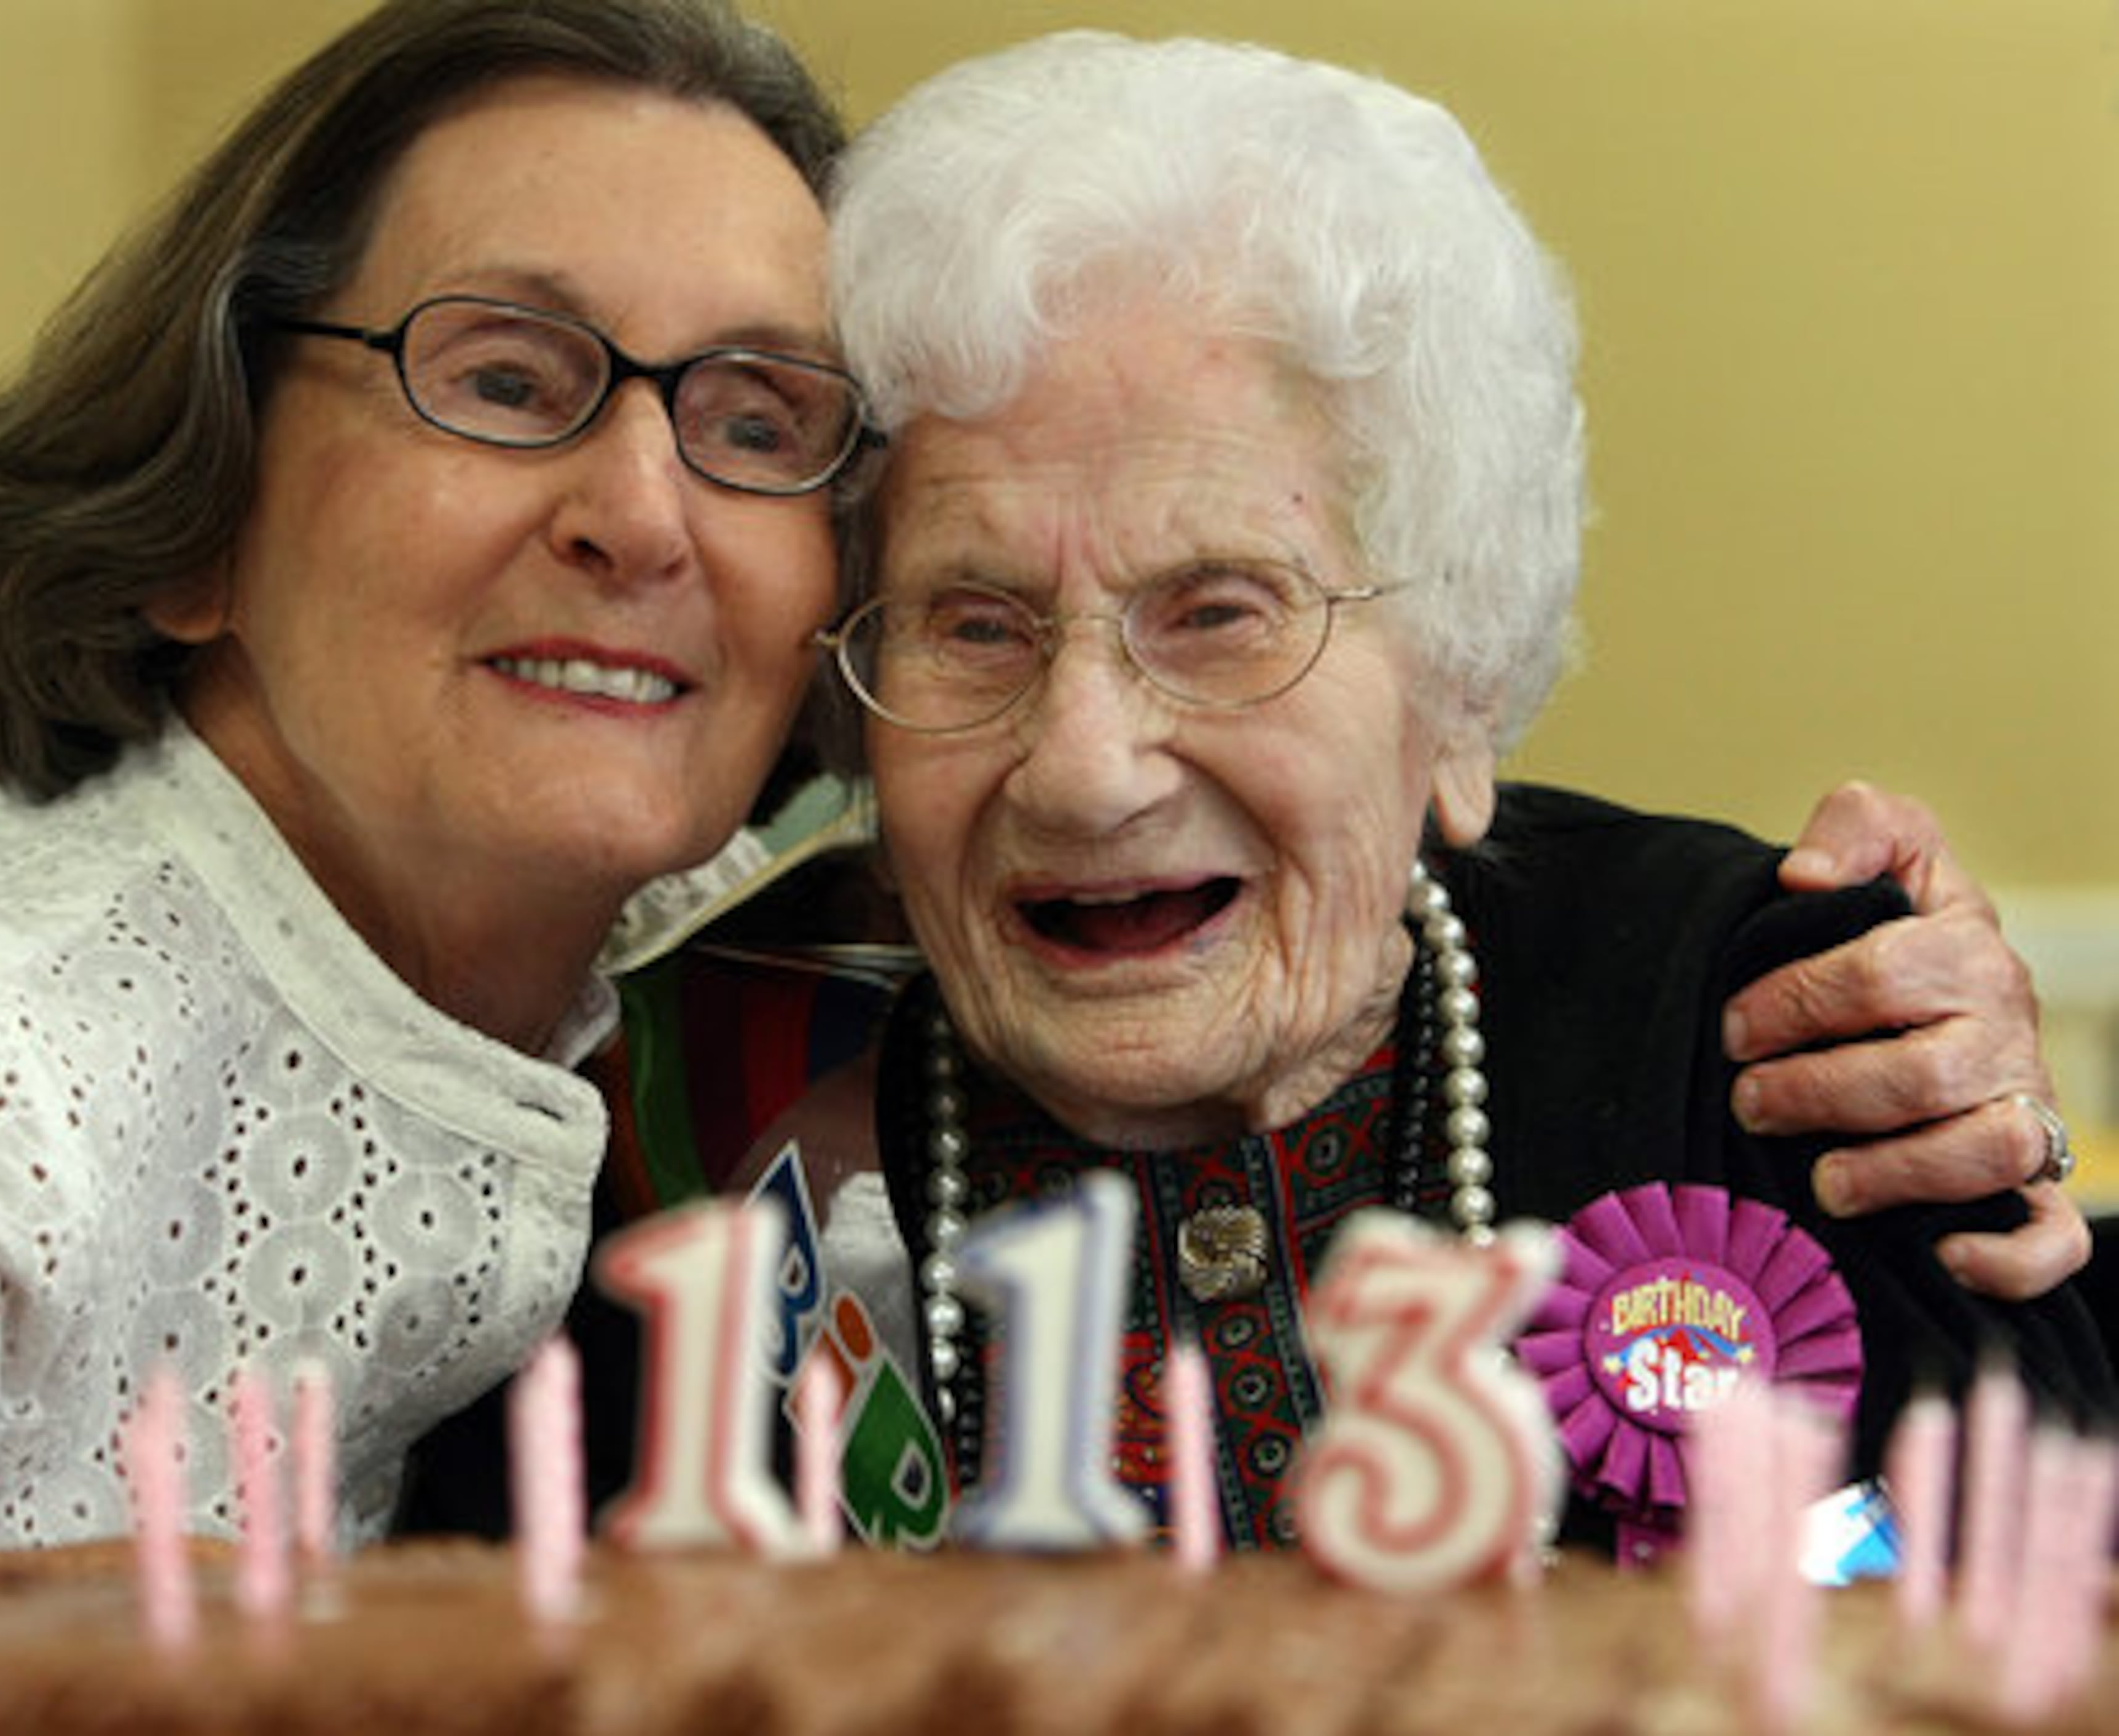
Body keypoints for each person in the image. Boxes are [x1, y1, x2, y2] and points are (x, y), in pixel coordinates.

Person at [788, 29, 2109, 1552]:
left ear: (1462, 681)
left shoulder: (1773, 1037)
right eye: (973, 625)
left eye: (1219, 612)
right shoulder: (712, 1107)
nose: (1085, 769)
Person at [0, 0, 866, 1558]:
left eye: (759, 420)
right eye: (501, 381)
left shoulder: (639, 932)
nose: (643, 513)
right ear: (203, 513)